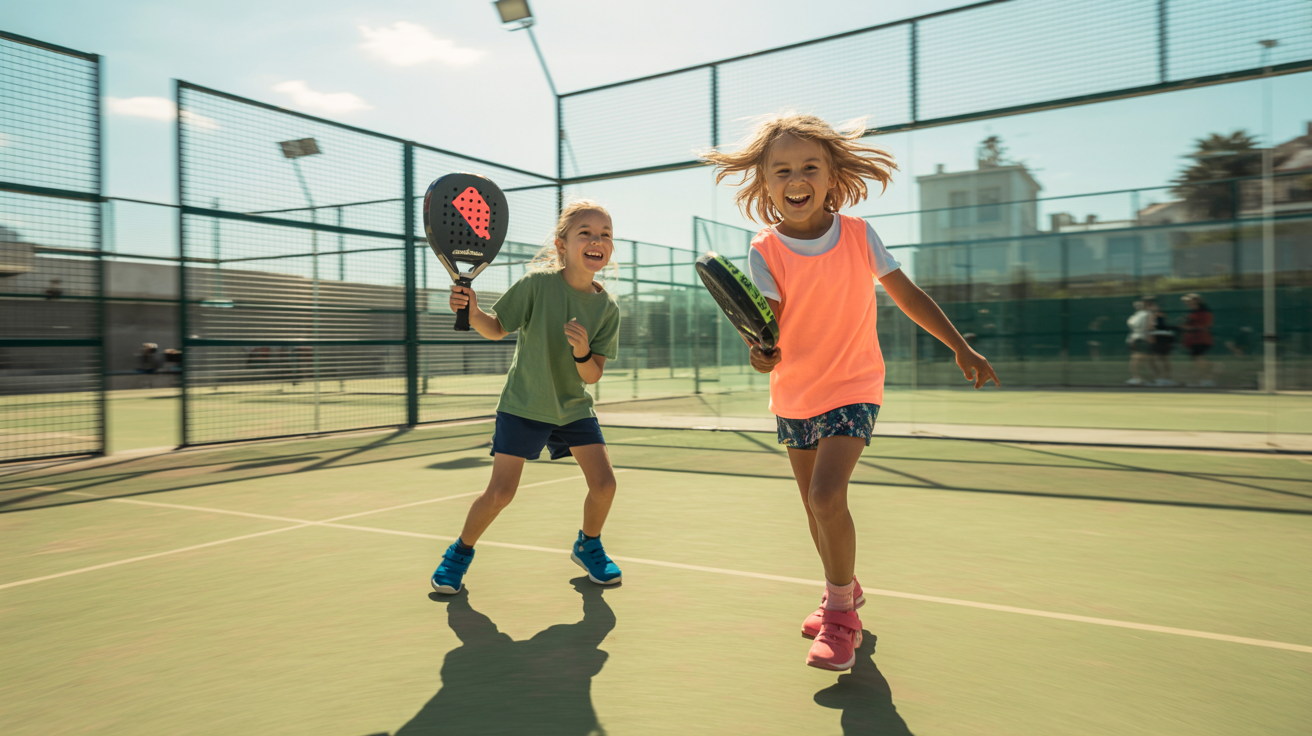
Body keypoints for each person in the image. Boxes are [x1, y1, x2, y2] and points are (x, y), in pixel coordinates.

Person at [703, 114, 999, 671]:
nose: (796, 179)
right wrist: (760, 351)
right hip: (795, 395)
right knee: (813, 510)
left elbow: (907, 295)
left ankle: (841, 616)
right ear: (765, 182)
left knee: (825, 496)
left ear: (832, 175)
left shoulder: (860, 235)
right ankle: (843, 587)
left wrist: (961, 346)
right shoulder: (765, 249)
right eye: (782, 170)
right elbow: (771, 325)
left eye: (809, 167)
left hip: (854, 386)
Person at [430, 200, 624, 595]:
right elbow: (496, 328)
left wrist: (582, 352)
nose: (596, 240)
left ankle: (588, 545)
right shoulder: (537, 285)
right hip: (524, 405)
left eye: (605, 234)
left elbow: (593, 374)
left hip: (572, 408)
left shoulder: (607, 308)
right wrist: (473, 312)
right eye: (585, 232)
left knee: (605, 485)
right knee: (501, 493)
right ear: (561, 245)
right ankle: (458, 553)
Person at [1180, 293, 1215, 387]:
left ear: (1196, 301)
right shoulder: (1192, 312)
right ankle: (1200, 380)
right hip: (1192, 340)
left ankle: (1208, 379)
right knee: (1196, 360)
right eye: (1186, 301)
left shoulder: (1204, 312)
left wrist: (1190, 327)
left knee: (1199, 359)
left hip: (1201, 339)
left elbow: (1206, 325)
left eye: (1189, 301)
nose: (1187, 303)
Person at [1147, 299, 1177, 386]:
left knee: (1164, 359)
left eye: (1152, 305)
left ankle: (1167, 378)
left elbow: (1152, 326)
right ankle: (1158, 378)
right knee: (1152, 359)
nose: (1151, 307)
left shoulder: (1158, 314)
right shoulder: (1150, 315)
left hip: (1162, 339)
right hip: (1155, 338)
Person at [1125, 298, 1153, 386]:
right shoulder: (1147, 314)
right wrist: (1150, 338)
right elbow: (1150, 327)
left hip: (1133, 339)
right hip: (1142, 339)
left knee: (1137, 359)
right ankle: (1139, 379)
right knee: (1140, 360)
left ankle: (1139, 378)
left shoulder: (1134, 316)